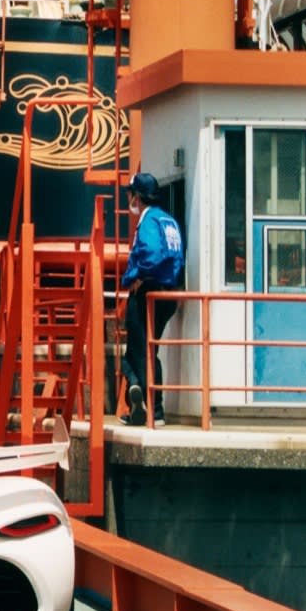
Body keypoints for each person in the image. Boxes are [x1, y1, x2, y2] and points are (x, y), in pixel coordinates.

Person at [121, 171, 185, 426]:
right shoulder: (169, 221)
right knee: (147, 350)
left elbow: (151, 253)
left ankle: (151, 407)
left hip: (147, 292)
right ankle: (138, 396)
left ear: (136, 196)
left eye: (130, 194)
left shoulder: (148, 221)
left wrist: (137, 276)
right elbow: (176, 256)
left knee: (138, 353)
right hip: (168, 293)